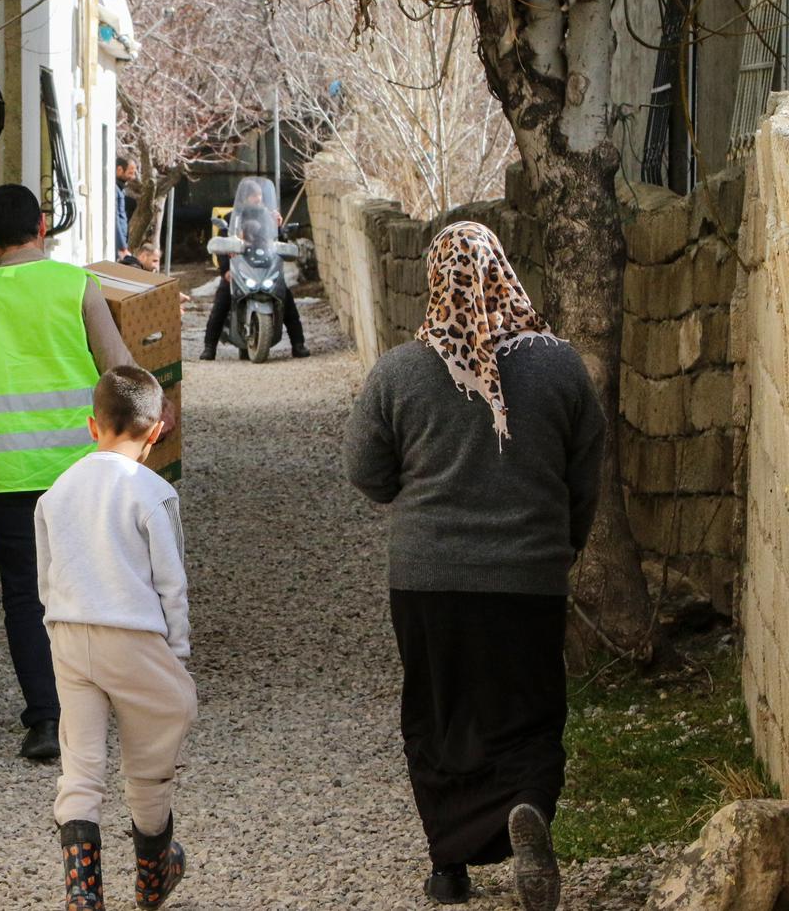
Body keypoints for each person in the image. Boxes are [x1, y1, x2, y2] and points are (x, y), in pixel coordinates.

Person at [343, 221, 606, 911]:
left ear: (435, 280)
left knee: (438, 712)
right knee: (529, 709)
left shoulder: (400, 372)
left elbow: (366, 473)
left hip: (428, 579)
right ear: (504, 271)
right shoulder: (561, 366)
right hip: (529, 577)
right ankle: (526, 806)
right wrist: (561, 544)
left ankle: (448, 866)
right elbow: (584, 477)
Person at [0, 184, 165, 761]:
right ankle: (100, 705)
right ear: (42, 229)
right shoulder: (78, 287)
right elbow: (120, 374)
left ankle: (45, 720)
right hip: (82, 468)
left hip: (7, 470)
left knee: (24, 594)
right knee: (92, 584)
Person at [36, 365, 195, 911]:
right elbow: (171, 586)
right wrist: (175, 654)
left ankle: (84, 898)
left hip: (67, 633)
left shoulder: (56, 492)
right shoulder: (152, 493)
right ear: (156, 432)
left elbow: (45, 576)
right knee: (151, 756)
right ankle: (154, 873)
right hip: (132, 637)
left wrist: (62, 622)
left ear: (90, 426)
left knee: (79, 766)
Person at [200, 177, 309, 360]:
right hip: (239, 268)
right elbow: (222, 248)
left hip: (264, 266)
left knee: (286, 300)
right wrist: (226, 270)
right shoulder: (231, 219)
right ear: (244, 197)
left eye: (259, 195)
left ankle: (298, 344)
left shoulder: (268, 216)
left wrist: (280, 228)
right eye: (253, 196)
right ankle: (209, 347)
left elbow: (277, 243)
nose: (258, 199)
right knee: (221, 302)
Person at [116, 156, 138, 260]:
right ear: (120, 170)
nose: (133, 177)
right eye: (130, 173)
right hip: (116, 245)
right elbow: (115, 220)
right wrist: (122, 247)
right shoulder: (114, 190)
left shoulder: (120, 190)